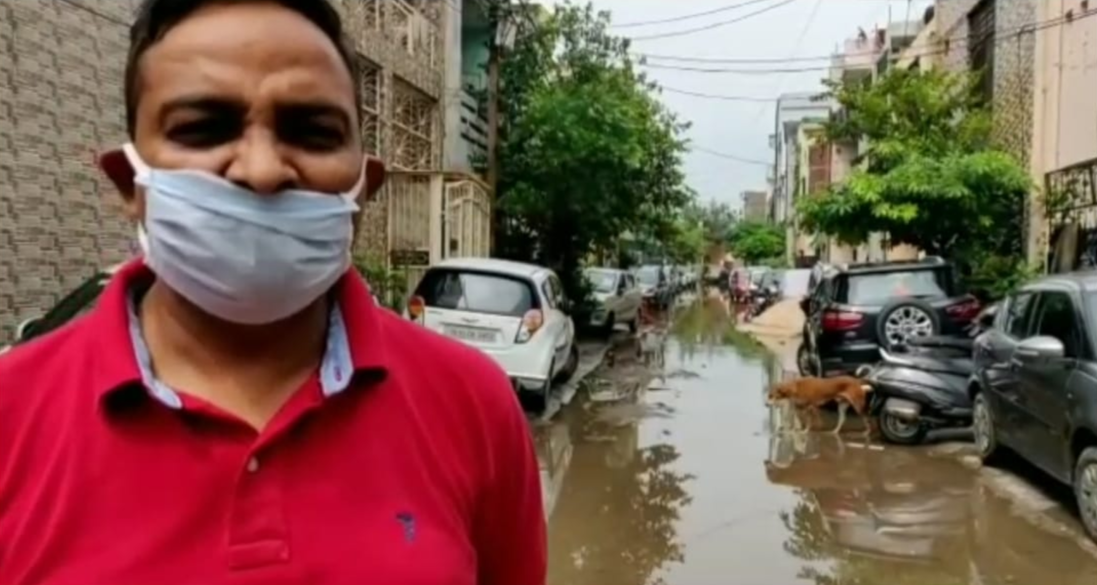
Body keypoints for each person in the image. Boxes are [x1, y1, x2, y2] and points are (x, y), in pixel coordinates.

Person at [0, 1, 546, 584]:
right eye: (203, 128)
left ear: (366, 187)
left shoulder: (474, 407)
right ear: (128, 181)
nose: (261, 171)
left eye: (311, 132)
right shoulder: (11, 418)